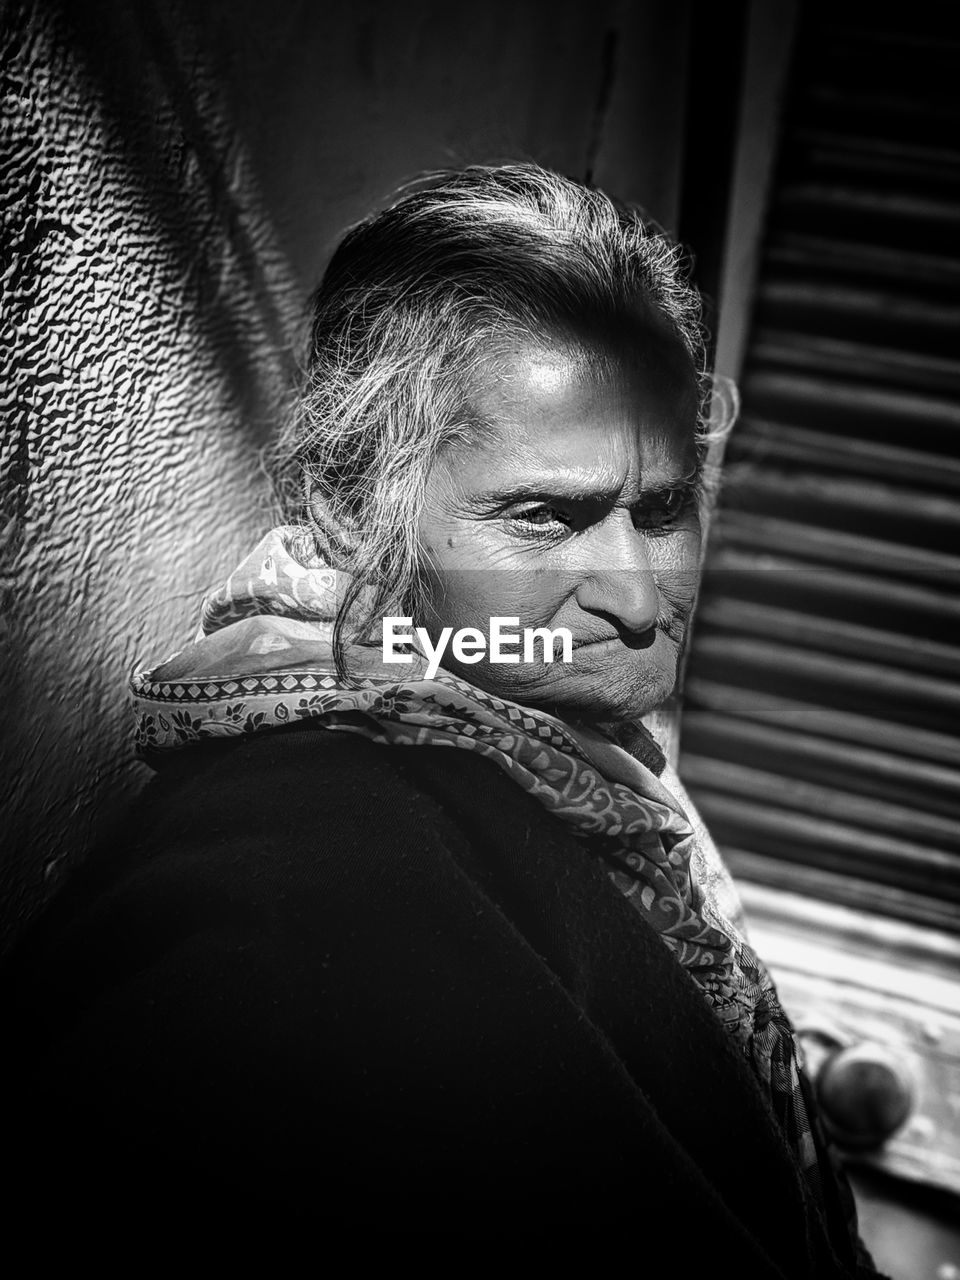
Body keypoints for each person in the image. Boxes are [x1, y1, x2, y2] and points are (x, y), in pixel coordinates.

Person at [4, 165, 878, 1272]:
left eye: (662, 508)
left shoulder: (540, 719)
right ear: (350, 509)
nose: (640, 595)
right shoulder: (305, 913)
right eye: (543, 517)